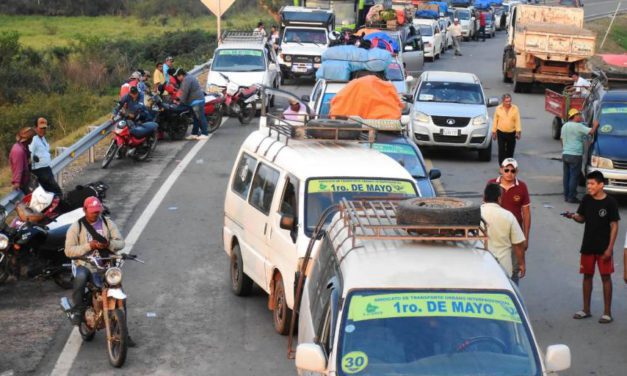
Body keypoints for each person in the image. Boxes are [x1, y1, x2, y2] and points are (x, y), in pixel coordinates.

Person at [63, 197, 135, 346]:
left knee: (119, 292)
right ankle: (78, 310)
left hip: (106, 264)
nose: (95, 214)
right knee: (81, 278)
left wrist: (109, 243)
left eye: (97, 211)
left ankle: (124, 332)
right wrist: (89, 246)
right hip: (86, 264)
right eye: (92, 212)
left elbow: (120, 242)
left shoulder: (107, 223)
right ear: (84, 210)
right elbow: (68, 250)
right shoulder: (76, 227)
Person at [564, 171, 619, 324]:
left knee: (606, 278)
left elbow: (614, 226)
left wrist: (610, 248)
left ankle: (607, 313)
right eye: (588, 184)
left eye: (592, 184)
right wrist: (574, 216)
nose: (589, 187)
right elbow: (582, 219)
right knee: (587, 276)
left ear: (601, 185)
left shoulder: (610, 203)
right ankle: (586, 309)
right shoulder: (587, 200)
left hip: (604, 248)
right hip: (587, 246)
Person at [487, 158, 531, 283]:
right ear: (501, 170)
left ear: (516, 171)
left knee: (514, 271)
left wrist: (526, 238)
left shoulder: (522, 187)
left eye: (513, 171)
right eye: (506, 170)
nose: (509, 173)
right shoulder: (492, 184)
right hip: (495, 233)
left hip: (514, 235)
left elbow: (526, 214)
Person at [481, 183, 526, 283]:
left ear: (484, 197)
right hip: (503, 268)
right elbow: (518, 244)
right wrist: (521, 264)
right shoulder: (508, 216)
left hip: (481, 266)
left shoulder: (476, 214)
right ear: (499, 198)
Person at [561, 108, 596, 203]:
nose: (580, 116)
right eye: (578, 115)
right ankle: (571, 197)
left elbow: (562, 140)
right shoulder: (578, 126)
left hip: (565, 154)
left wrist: (565, 148)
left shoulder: (564, 126)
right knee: (574, 177)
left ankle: (566, 195)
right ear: (574, 116)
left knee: (566, 176)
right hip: (575, 155)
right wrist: (595, 125)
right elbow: (591, 132)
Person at [29, 117, 62, 195]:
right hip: (39, 171)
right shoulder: (33, 139)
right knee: (56, 191)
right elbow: (29, 153)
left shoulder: (43, 138)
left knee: (52, 193)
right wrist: (33, 158)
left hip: (47, 169)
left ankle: (58, 205)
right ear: (35, 128)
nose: (43, 130)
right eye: (41, 128)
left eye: (44, 128)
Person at [175, 69, 209, 140]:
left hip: (197, 101)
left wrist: (180, 102)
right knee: (195, 118)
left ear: (181, 75)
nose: (177, 78)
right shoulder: (188, 77)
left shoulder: (187, 79)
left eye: (177, 76)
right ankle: (194, 134)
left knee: (200, 117)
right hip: (193, 101)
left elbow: (185, 93)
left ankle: (205, 133)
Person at [492, 93, 521, 165]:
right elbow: (495, 120)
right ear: (503, 101)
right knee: (501, 150)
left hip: (511, 133)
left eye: (510, 101)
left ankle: (508, 165)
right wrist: (494, 132)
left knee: (510, 150)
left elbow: (517, 120)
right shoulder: (498, 108)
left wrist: (518, 131)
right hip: (501, 132)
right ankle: (501, 166)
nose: (508, 103)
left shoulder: (515, 108)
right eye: (507, 101)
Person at [10, 127, 35, 193]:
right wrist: (17, 182)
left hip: (26, 179)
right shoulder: (18, 151)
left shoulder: (24, 147)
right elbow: (18, 168)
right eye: (32, 138)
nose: (32, 140)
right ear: (28, 139)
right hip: (23, 184)